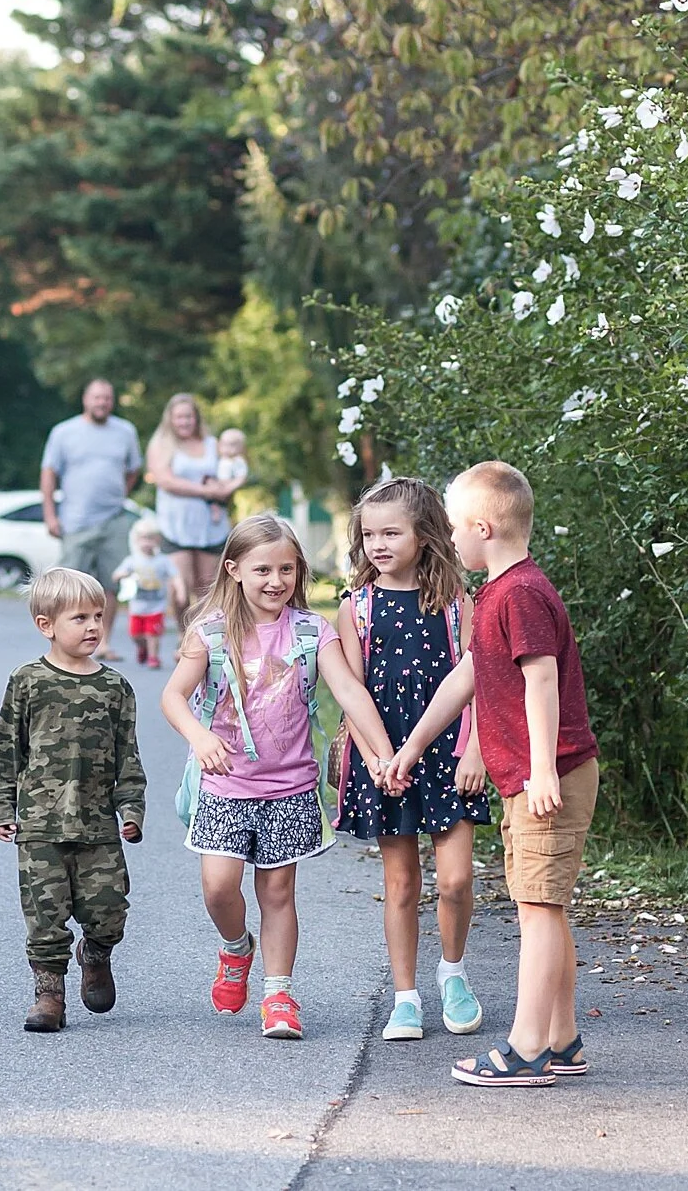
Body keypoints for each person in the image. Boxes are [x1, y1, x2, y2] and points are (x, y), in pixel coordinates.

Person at [389, 462, 601, 1086]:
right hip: (532, 774)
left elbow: (541, 680)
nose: (449, 539)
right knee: (544, 905)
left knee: (538, 907)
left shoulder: (521, 593)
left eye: (453, 527)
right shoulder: (497, 593)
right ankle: (560, 1040)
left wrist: (540, 771)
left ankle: (528, 1047)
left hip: (549, 773)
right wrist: (412, 746)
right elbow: (469, 678)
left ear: (483, 527)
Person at [159, 514, 393, 1041]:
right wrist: (200, 738)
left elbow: (351, 694)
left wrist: (382, 753)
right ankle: (237, 947)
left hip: (290, 784)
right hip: (225, 783)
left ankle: (279, 995)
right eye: (262, 568)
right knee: (220, 888)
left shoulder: (313, 632)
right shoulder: (211, 633)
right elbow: (173, 697)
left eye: (286, 569)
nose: (275, 580)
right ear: (234, 569)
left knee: (279, 891)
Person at [333, 478, 492, 1044]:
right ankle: (405, 997)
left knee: (455, 878)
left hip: (451, 753)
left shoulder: (457, 604)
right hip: (384, 758)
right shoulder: (355, 608)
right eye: (369, 533)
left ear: (424, 535)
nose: (377, 543)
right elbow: (350, 693)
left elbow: (481, 681)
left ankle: (453, 972)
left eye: (391, 532)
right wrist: (379, 759)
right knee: (400, 882)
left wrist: (475, 749)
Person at [0, 567, 147, 1032]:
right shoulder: (28, 682)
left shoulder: (115, 688)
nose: (93, 626)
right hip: (39, 825)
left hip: (98, 826)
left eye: (98, 616)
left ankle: (95, 953)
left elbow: (127, 757)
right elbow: (6, 750)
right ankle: (48, 995)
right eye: (80, 618)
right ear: (46, 624)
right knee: (44, 914)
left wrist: (131, 809)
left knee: (109, 910)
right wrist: (1, 809)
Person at [41, 379, 144, 660]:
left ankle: (103, 643)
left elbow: (134, 469)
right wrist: (50, 514)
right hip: (76, 521)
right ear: (86, 399)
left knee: (110, 585)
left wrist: (120, 494)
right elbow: (49, 474)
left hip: (114, 519)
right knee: (69, 587)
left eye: (107, 398)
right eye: (97, 398)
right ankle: (65, 643)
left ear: (113, 401)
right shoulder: (64, 432)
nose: (102, 403)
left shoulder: (125, 431)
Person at [145, 392, 233, 605]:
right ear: (171, 419)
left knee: (208, 588)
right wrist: (206, 491)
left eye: (188, 416)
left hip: (210, 525)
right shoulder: (161, 444)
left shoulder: (213, 444)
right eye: (179, 417)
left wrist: (225, 488)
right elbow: (166, 481)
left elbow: (229, 472)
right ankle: (183, 634)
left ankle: (205, 635)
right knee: (180, 586)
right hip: (175, 525)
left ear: (196, 418)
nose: (184, 422)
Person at [114, 519, 185, 668]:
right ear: (136, 540)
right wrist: (122, 575)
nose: (147, 543)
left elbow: (175, 576)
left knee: (153, 634)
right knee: (135, 635)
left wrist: (180, 591)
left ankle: (153, 657)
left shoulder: (163, 561)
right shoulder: (132, 560)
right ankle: (142, 647)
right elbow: (117, 574)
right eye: (143, 539)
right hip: (137, 606)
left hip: (156, 606)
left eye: (151, 539)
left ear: (158, 540)